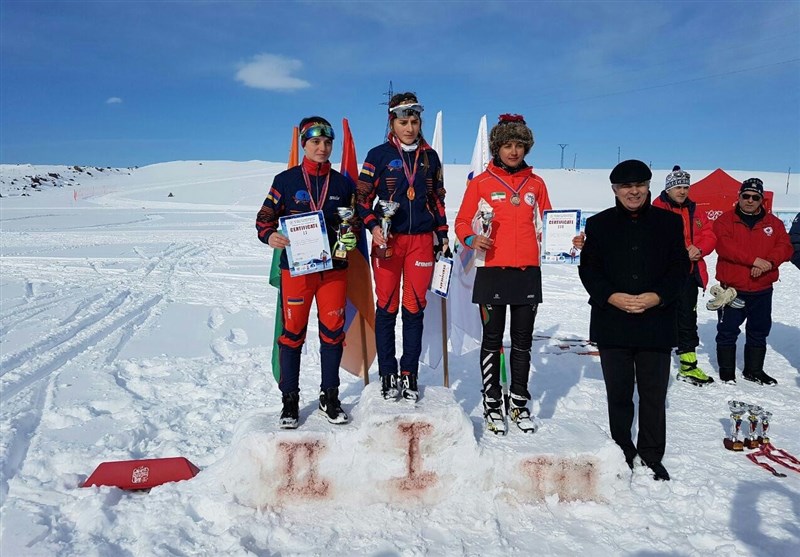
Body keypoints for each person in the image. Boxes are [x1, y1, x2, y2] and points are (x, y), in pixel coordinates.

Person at [578, 159, 689, 481]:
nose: (633, 191)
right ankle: (622, 449)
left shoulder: (669, 223)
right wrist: (610, 296)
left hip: (656, 321)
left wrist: (658, 296)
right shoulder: (598, 224)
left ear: (649, 187)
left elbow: (679, 268)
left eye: (639, 185)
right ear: (615, 189)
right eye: (626, 186)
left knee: (654, 394)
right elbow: (589, 269)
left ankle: (652, 454)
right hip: (613, 321)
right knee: (620, 392)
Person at [256, 116, 359, 428]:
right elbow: (264, 218)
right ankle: (290, 399)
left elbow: (350, 222)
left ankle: (330, 395)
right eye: (315, 142)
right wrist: (269, 235)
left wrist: (351, 235)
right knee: (292, 334)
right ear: (304, 144)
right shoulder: (285, 180)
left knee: (332, 332)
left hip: (334, 269)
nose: (322, 148)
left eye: (328, 142)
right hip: (297, 271)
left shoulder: (342, 183)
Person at [454, 114, 552, 435]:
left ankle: (518, 400)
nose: (513, 151)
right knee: (493, 340)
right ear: (497, 147)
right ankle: (492, 400)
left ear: (526, 148)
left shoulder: (536, 184)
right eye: (507, 145)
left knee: (522, 342)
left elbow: (551, 224)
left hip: (527, 273)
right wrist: (471, 239)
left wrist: (571, 238)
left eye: (519, 145)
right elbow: (462, 222)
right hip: (491, 273)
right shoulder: (481, 183)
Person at [356, 92, 449, 402]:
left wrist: (443, 233)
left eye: (414, 121)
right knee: (387, 305)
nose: (409, 127)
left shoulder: (429, 157)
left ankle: (409, 372)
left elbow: (437, 198)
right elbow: (361, 199)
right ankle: (387, 371)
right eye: (403, 122)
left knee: (414, 306)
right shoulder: (378, 155)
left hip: (421, 242)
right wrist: (372, 225)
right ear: (392, 122)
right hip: (388, 241)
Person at [712, 178, 793, 385]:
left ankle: (754, 370)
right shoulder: (725, 220)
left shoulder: (773, 224)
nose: (749, 200)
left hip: (762, 289)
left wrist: (769, 262)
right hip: (732, 289)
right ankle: (727, 372)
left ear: (761, 200)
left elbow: (786, 247)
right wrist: (754, 260)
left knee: (759, 331)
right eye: (745, 196)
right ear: (738, 197)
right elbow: (725, 246)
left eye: (755, 197)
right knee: (728, 330)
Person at [652, 166, 717, 386]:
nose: (682, 191)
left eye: (685, 187)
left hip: (689, 274)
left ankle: (688, 366)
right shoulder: (656, 208)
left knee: (688, 320)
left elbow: (709, 234)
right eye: (678, 187)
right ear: (668, 189)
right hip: (662, 275)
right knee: (656, 319)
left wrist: (699, 249)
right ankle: (649, 365)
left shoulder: (697, 210)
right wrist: (682, 250)